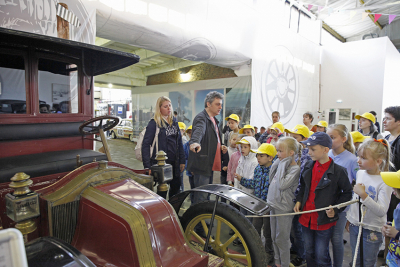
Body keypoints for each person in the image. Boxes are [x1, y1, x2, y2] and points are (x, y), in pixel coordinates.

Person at [294, 132, 353, 266]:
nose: (309, 152)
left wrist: (336, 208)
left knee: (321, 254)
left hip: (323, 221)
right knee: (309, 251)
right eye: (308, 149)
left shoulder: (339, 171)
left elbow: (347, 193)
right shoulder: (308, 166)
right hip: (306, 218)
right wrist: (299, 201)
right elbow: (303, 187)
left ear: (326, 150)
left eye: (313, 149)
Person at [346, 138, 392, 267]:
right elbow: (355, 200)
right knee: (356, 259)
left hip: (372, 229)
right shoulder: (360, 173)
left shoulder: (385, 181)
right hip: (356, 225)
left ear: (378, 161)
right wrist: (349, 218)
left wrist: (364, 195)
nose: (358, 160)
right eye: (358, 156)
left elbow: (382, 210)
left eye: (363, 158)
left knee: (368, 262)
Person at [236, 143, 277, 266]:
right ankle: (255, 249)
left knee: (268, 232)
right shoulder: (258, 168)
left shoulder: (274, 170)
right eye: (258, 155)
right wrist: (242, 179)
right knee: (255, 228)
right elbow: (254, 183)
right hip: (258, 205)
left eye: (261, 155)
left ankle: (269, 252)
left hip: (269, 206)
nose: (258, 158)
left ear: (270, 158)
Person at [326, 124, 359, 267]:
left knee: (336, 238)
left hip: (340, 206)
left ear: (344, 139)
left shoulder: (352, 159)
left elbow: (358, 181)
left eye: (332, 137)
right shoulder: (326, 154)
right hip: (325, 204)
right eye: (328, 137)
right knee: (324, 238)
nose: (329, 140)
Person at [142, 96, 185, 199]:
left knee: (176, 188)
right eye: (165, 106)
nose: (169, 108)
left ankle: (172, 210)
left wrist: (182, 160)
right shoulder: (154, 123)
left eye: (170, 105)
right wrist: (147, 166)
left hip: (174, 163)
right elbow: (146, 145)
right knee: (162, 191)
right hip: (161, 164)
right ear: (159, 108)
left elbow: (179, 141)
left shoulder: (174, 122)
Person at [267, 137, 301, 267]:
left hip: (283, 208)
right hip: (273, 204)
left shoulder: (294, 169)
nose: (277, 154)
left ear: (291, 153)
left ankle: (285, 263)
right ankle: (277, 262)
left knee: (282, 239)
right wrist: (279, 162)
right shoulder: (280, 164)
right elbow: (271, 179)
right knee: (274, 237)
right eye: (277, 151)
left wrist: (282, 163)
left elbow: (281, 185)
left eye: (280, 151)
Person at [188, 91, 225, 204]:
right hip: (202, 164)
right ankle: (198, 221)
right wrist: (195, 142)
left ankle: (201, 219)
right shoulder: (201, 117)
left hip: (208, 163)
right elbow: (199, 130)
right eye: (217, 104)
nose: (220, 107)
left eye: (221, 104)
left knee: (206, 195)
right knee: (201, 197)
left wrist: (221, 145)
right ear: (208, 104)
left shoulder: (213, 119)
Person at [285, 125, 312, 267]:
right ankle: (295, 248)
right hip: (290, 196)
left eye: (295, 138)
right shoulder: (294, 154)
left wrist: (299, 199)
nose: (292, 140)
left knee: (298, 228)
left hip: (300, 198)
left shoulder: (307, 156)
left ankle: (302, 255)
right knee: (292, 227)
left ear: (304, 139)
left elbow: (303, 180)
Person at [383, 106, 400, 254]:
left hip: (396, 186)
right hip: (386, 183)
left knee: (395, 219)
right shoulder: (387, 138)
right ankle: (387, 249)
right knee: (387, 219)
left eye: (388, 118)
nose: (384, 121)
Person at [381, 169, 400, 266]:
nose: (393, 189)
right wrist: (389, 226)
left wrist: (396, 234)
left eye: (395, 187)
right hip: (394, 257)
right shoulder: (398, 205)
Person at [183, 125, 194, 202]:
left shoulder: (200, 145)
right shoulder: (186, 146)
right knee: (193, 188)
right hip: (190, 172)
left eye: (192, 132)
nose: (190, 134)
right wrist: (190, 168)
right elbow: (185, 159)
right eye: (189, 133)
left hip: (199, 172)